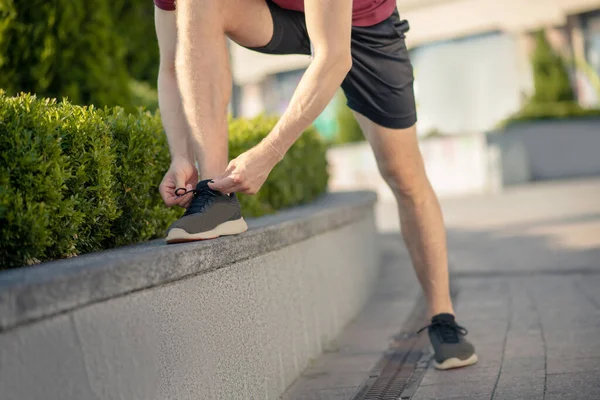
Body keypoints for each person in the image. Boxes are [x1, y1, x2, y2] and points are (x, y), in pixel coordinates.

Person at [154, 0, 477, 370]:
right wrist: (181, 155)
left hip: (365, 26)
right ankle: (215, 197)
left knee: (404, 175)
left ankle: (444, 319)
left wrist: (268, 153)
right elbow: (172, 62)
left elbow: (334, 58)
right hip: (286, 16)